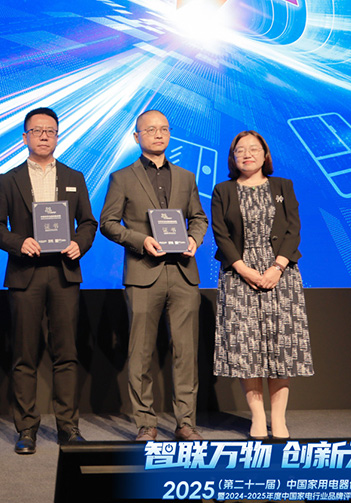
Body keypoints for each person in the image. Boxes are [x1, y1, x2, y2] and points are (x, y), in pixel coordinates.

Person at [0, 107, 97, 454]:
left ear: (57, 136)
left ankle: (68, 427)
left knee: (66, 354)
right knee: (25, 354)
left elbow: (88, 222)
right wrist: (18, 242)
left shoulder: (74, 176)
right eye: (37, 130)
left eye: (50, 130)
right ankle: (26, 429)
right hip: (26, 273)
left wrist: (79, 243)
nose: (44, 136)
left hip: (64, 272)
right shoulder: (8, 179)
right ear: (25, 137)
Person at [99, 110, 208, 442]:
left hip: (183, 273)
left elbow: (198, 217)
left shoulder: (187, 177)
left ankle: (185, 422)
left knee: (186, 352)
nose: (158, 134)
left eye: (164, 129)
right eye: (150, 130)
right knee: (141, 352)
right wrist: (140, 240)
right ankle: (145, 422)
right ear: (137, 137)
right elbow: (108, 223)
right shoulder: (122, 178)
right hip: (143, 272)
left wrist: (194, 239)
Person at [211, 130, 313, 440]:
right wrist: (244, 269)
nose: (247, 154)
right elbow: (220, 234)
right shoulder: (223, 190)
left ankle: (278, 419)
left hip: (280, 275)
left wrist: (276, 267)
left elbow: (293, 229)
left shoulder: (283, 186)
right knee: (247, 349)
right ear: (233, 157)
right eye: (240, 150)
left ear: (265, 155)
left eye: (254, 149)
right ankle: (257, 417)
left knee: (281, 348)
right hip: (239, 276)